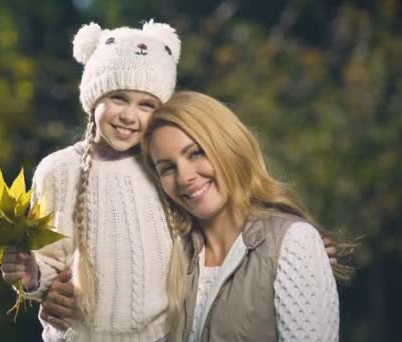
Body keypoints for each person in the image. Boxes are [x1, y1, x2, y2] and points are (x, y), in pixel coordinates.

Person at [1, 20, 182, 341]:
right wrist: (31, 274)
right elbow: (49, 261)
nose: (129, 115)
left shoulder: (164, 166)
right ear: (93, 98)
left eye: (146, 105)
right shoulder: (58, 170)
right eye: (118, 98)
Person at [140, 91, 354, 341]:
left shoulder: (293, 242)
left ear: (227, 146)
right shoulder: (170, 254)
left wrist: (298, 251)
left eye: (196, 153)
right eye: (167, 168)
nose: (184, 177)